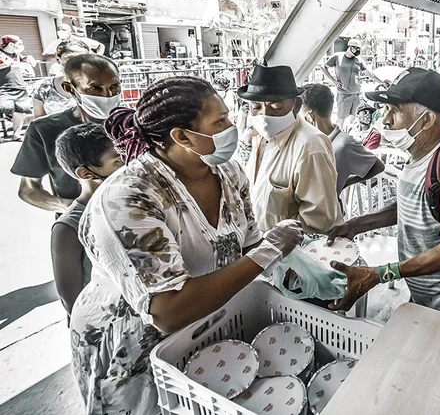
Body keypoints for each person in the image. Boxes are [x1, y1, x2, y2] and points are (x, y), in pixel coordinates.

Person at [70, 76, 305, 415]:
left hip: (207, 316)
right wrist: (269, 251)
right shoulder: (130, 197)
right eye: (220, 121)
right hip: (134, 334)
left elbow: (249, 242)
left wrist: (292, 268)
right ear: (181, 136)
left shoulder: (227, 171)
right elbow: (167, 311)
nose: (231, 126)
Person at [325, 68, 440, 315]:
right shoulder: (418, 152)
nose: (385, 120)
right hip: (420, 289)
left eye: (394, 110)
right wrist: (356, 225)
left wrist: (380, 274)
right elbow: (415, 206)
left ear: (427, 120)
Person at [11, 54, 121, 213]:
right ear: (70, 88)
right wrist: (77, 209)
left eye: (114, 87)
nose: (108, 95)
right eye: (95, 88)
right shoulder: (44, 130)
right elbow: (29, 190)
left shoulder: (135, 124)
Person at [240, 65, 343, 233]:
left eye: (276, 105)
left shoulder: (310, 146)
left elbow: (319, 220)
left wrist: (271, 245)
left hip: (294, 251)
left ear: (296, 105)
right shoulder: (259, 136)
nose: (265, 114)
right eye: (256, 107)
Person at [52, 123, 123, 315]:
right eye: (119, 161)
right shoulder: (68, 227)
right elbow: (72, 300)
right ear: (86, 173)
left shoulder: (133, 203)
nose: (129, 164)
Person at [301, 84, 385, 195]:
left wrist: (346, 183)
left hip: (324, 210)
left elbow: (378, 167)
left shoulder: (344, 145)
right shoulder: (312, 140)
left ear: (310, 116)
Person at [321, 39, 382, 126]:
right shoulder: (337, 57)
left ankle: (350, 134)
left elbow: (369, 74)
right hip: (344, 94)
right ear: (350, 47)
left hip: (357, 93)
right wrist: (333, 81)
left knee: (354, 118)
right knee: (341, 118)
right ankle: (338, 136)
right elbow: (323, 68)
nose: (357, 50)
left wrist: (381, 82)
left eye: (358, 49)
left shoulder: (359, 60)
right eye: (355, 48)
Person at [32, 39, 91, 118]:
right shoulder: (44, 87)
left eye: (82, 57)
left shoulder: (101, 85)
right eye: (69, 58)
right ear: (58, 60)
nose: (76, 62)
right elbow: (38, 119)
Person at [0, 35, 34, 141]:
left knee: (19, 111)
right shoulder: (1, 54)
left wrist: (28, 59)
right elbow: (5, 64)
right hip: (4, 87)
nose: (21, 46)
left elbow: (25, 61)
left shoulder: (17, 54)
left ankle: (16, 134)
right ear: (10, 44)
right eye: (19, 44)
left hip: (19, 85)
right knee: (3, 110)